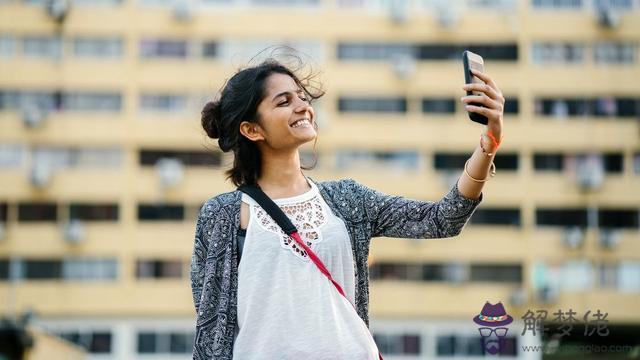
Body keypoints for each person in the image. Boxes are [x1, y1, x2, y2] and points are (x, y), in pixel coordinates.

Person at [191, 56, 505, 359]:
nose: (303, 107)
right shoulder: (223, 215)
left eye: (302, 97)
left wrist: (488, 144)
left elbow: (441, 220)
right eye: (284, 101)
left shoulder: (347, 200)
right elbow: (210, 325)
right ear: (252, 129)